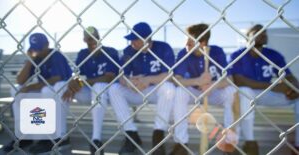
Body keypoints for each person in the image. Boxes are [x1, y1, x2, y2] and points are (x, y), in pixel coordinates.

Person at [230, 24, 299, 155]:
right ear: (247, 37)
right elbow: (239, 81)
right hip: (250, 93)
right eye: (257, 32)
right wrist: (274, 86)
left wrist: (294, 86)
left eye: (265, 32)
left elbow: (289, 76)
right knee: (244, 91)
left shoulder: (273, 54)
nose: (263, 34)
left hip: (270, 94)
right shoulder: (238, 54)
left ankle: (298, 145)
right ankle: (250, 143)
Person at [108, 22, 176, 155]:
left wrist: (148, 79)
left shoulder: (163, 47)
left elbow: (170, 75)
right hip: (137, 90)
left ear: (145, 39)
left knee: (168, 87)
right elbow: (121, 76)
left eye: (134, 39)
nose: (131, 42)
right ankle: (131, 134)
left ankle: (158, 135)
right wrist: (129, 83)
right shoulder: (129, 51)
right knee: (114, 89)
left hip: (155, 90)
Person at [172, 23, 237, 155]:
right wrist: (198, 81)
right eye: (186, 40)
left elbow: (229, 80)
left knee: (231, 92)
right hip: (194, 92)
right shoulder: (183, 53)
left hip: (213, 92)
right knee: (179, 92)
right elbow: (177, 80)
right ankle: (181, 143)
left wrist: (213, 85)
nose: (186, 44)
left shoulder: (217, 52)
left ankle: (229, 142)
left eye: (190, 41)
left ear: (203, 42)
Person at [3, 33, 72, 154]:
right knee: (16, 90)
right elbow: (20, 80)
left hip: (63, 89)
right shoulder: (36, 57)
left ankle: (56, 137)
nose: (38, 51)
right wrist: (30, 60)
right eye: (35, 48)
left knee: (47, 91)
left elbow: (57, 78)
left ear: (47, 45)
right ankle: (24, 136)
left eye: (40, 48)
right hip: (45, 89)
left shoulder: (55, 55)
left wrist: (32, 87)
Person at [62, 26, 119, 155]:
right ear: (84, 40)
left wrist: (81, 82)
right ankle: (60, 135)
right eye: (89, 39)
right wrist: (73, 85)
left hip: (109, 93)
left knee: (98, 86)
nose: (93, 41)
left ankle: (96, 139)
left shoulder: (110, 52)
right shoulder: (83, 54)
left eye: (95, 38)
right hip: (90, 92)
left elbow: (109, 78)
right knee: (63, 88)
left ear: (99, 38)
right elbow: (76, 75)